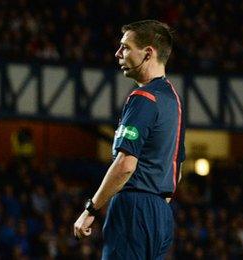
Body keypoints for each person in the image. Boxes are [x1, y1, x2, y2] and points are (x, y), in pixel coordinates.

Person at [73, 20, 185, 260]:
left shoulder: (144, 97)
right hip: (162, 214)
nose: (118, 53)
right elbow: (178, 168)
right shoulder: (174, 102)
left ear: (147, 53)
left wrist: (91, 209)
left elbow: (125, 165)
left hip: (134, 208)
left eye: (125, 47)